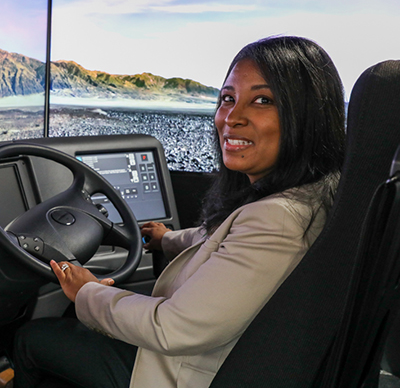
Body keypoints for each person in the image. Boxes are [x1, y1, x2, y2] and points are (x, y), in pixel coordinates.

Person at [13, 35, 345, 388]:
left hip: (182, 371)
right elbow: (228, 244)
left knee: (30, 340)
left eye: (262, 101)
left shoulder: (278, 220)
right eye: (228, 99)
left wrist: (87, 292)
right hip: (219, 357)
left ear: (307, 117)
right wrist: (167, 239)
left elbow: (172, 328)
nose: (232, 117)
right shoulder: (309, 196)